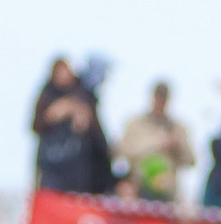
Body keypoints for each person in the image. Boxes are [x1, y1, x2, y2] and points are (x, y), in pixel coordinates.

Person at [32, 56, 112, 197]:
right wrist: (56, 113)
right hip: (51, 166)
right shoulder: (46, 95)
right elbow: (37, 124)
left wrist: (80, 114)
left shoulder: (83, 95)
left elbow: (95, 133)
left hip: (80, 170)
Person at [114, 79, 192, 202]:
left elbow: (190, 161)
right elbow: (122, 151)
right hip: (139, 190)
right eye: (158, 97)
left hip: (168, 194)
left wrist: (177, 146)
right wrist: (157, 143)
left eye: (164, 98)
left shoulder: (177, 128)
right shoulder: (135, 124)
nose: (160, 102)